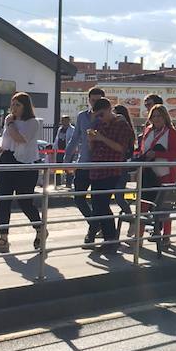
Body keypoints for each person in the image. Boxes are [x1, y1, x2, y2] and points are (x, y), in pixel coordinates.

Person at [0, 92, 43, 254]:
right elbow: (6, 141)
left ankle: (39, 228)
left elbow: (21, 139)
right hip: (6, 160)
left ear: (25, 106)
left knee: (25, 201)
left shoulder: (32, 122)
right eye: (12, 104)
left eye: (18, 105)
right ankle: (3, 237)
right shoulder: (9, 121)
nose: (14, 108)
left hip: (24, 164)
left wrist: (10, 124)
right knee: (3, 199)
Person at [84, 97, 134, 252]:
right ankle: (109, 239)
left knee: (102, 205)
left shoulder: (121, 125)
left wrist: (101, 138)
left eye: (101, 114)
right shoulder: (99, 124)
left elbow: (121, 148)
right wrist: (91, 140)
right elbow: (94, 148)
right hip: (97, 169)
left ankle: (109, 239)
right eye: (97, 115)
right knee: (99, 205)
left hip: (111, 170)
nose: (99, 118)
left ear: (109, 109)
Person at [64, 87, 106, 245]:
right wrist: (66, 159)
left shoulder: (107, 118)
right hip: (83, 163)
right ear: (88, 100)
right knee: (79, 198)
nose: (95, 103)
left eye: (98, 100)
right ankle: (94, 226)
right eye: (93, 100)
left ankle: (91, 233)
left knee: (97, 201)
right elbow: (74, 139)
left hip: (100, 165)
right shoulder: (82, 116)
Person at [137, 104, 176, 247]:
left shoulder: (171, 132)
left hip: (165, 174)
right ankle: (139, 236)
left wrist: (157, 153)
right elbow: (142, 150)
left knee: (164, 208)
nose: (156, 119)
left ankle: (166, 236)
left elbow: (175, 153)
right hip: (148, 173)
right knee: (143, 206)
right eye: (153, 116)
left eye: (159, 116)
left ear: (165, 117)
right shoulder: (148, 130)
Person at [111, 104, 136, 220]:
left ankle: (130, 218)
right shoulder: (111, 127)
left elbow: (128, 151)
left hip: (121, 166)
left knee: (119, 196)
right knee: (112, 196)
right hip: (113, 165)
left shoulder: (127, 129)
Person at [53, 115, 75, 188]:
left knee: (68, 167)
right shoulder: (60, 129)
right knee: (58, 166)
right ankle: (58, 183)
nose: (63, 122)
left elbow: (72, 140)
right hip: (59, 151)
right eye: (62, 120)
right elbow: (57, 139)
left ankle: (68, 183)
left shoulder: (72, 129)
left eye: (65, 120)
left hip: (68, 151)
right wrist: (54, 147)